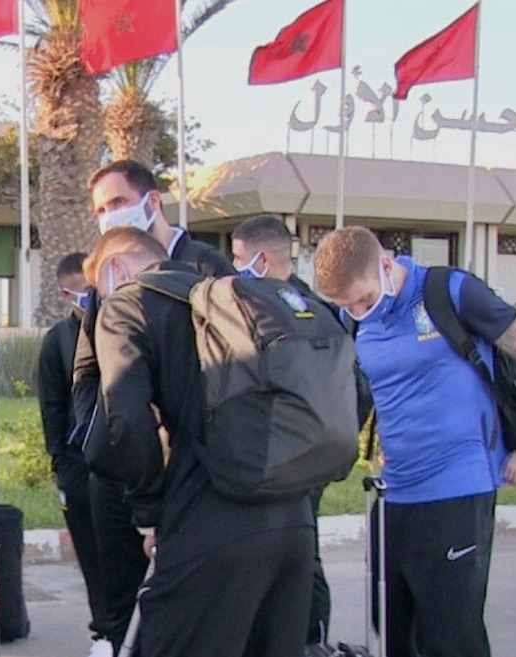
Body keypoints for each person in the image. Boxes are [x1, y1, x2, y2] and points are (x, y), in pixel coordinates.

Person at [313, 226, 516, 657]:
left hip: (458, 489)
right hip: (393, 495)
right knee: (389, 634)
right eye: (345, 305)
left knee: (450, 637)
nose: (356, 311)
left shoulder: (449, 291)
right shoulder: (352, 318)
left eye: (364, 300)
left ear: (385, 266)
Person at [85, 227, 314, 657]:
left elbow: (128, 420)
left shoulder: (129, 302)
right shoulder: (241, 301)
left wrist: (149, 512)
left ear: (115, 269)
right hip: (294, 523)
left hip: (209, 521)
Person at [73, 159, 236, 654]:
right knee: (123, 602)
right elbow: (88, 372)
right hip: (122, 469)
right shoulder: (110, 272)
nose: (108, 216)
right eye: (100, 209)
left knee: (190, 610)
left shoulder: (209, 268)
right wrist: (101, 440)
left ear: (151, 202)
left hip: (192, 474)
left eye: (117, 203)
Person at [231, 214, 333, 652]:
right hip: (312, 458)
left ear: (262, 257)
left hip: (277, 459)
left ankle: (305, 641)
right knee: (302, 556)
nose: (233, 267)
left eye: (237, 258)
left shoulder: (266, 308)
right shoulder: (319, 311)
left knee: (292, 563)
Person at [37, 253, 111, 657]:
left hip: (121, 465)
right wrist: (60, 462)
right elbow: (51, 405)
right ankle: (102, 629)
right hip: (78, 466)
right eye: (77, 293)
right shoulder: (57, 342)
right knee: (90, 550)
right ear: (66, 294)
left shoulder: (120, 326)